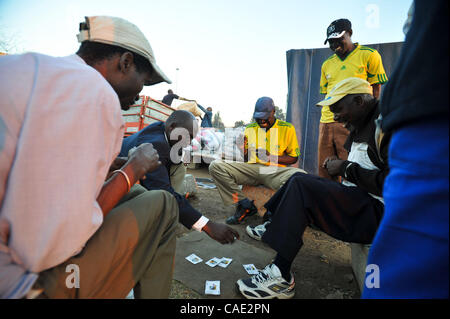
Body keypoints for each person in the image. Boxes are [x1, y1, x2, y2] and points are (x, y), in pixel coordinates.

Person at [0, 16, 179, 299]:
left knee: (139, 195)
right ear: (125, 62)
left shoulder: (27, 67)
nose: (138, 95)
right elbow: (54, 244)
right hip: (24, 283)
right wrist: (132, 170)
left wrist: (107, 169)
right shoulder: (97, 92)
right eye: (142, 82)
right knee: (164, 204)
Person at [237, 78, 390, 299]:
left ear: (359, 101)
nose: (335, 116)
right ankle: (273, 223)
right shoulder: (361, 123)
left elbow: (396, 183)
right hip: (359, 200)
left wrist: (345, 169)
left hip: (377, 215)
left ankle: (280, 276)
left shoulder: (385, 126)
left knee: (301, 184)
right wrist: (340, 169)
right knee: (299, 178)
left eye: (338, 109)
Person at [363, 0, 448, 298]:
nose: (335, 114)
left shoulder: (369, 59)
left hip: (430, 122)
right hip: (415, 122)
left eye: (339, 106)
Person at [120, 110, 240, 244]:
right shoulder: (155, 144)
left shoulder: (163, 129)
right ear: (172, 127)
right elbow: (164, 191)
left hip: (140, 172)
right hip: (118, 182)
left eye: (191, 138)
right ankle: (157, 219)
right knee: (163, 196)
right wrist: (207, 225)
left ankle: (167, 212)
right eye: (187, 137)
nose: (189, 143)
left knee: (179, 167)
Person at [209, 97, 305, 225]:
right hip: (252, 169)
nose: (262, 120)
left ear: (273, 112)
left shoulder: (287, 128)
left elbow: (294, 158)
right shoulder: (250, 128)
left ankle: (274, 215)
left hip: (275, 170)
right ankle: (243, 204)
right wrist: (242, 148)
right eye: (258, 117)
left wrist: (271, 157)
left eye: (265, 117)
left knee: (300, 176)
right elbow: (247, 158)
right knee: (215, 166)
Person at [318, 18, 388, 181]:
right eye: (331, 42)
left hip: (352, 121)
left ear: (350, 33)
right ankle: (326, 204)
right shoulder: (326, 64)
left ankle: (349, 203)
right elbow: (326, 94)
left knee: (351, 167)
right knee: (325, 169)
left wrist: (368, 120)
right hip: (327, 121)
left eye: (338, 39)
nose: (334, 45)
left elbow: (375, 90)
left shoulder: (369, 55)